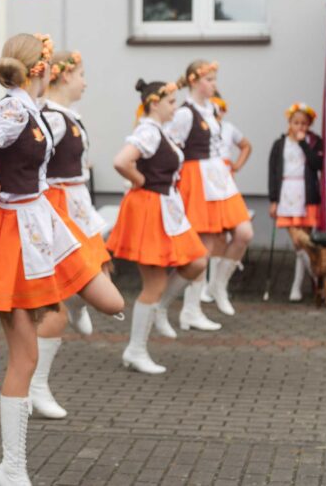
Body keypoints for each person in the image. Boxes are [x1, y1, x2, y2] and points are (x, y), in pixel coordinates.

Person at [0, 33, 124, 486]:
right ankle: (12, 467)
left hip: (41, 222)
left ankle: (54, 309)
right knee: (24, 357)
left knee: (110, 301)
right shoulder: (11, 108)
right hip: (14, 228)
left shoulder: (29, 107)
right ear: (42, 68)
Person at [32, 49, 116, 419]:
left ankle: (81, 300)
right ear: (64, 76)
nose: (85, 81)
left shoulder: (68, 116)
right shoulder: (50, 118)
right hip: (57, 207)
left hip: (77, 204)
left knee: (103, 269)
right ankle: (36, 386)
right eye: (81, 74)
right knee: (55, 308)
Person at [108, 80, 208, 372]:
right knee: (153, 283)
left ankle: (161, 308)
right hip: (151, 209)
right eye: (171, 102)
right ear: (155, 103)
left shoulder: (158, 131)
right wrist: (141, 182)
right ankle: (136, 349)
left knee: (197, 261)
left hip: (167, 208)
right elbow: (122, 161)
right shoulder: (148, 131)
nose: (175, 108)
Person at [160, 60, 253, 330]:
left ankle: (218, 286)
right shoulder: (185, 113)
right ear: (194, 81)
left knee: (244, 232)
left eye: (214, 79)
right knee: (204, 246)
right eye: (209, 79)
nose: (214, 84)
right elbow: (171, 146)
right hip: (197, 176)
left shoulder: (211, 108)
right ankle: (191, 309)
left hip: (218, 176)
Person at [268, 102, 323, 302]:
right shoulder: (279, 144)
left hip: (306, 193)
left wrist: (303, 144)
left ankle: (299, 285)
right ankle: (317, 276)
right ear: (289, 123)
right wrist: (273, 200)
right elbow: (273, 172)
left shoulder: (314, 142)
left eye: (304, 123)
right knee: (297, 241)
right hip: (286, 193)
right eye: (296, 122)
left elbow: (318, 165)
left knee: (305, 241)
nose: (299, 127)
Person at [202, 93, 252, 304]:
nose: (217, 113)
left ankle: (217, 284)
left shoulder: (229, 129)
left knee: (236, 234)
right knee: (212, 238)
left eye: (220, 108)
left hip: (225, 185)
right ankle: (206, 286)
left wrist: (237, 165)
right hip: (206, 184)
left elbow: (246, 145)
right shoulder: (201, 129)